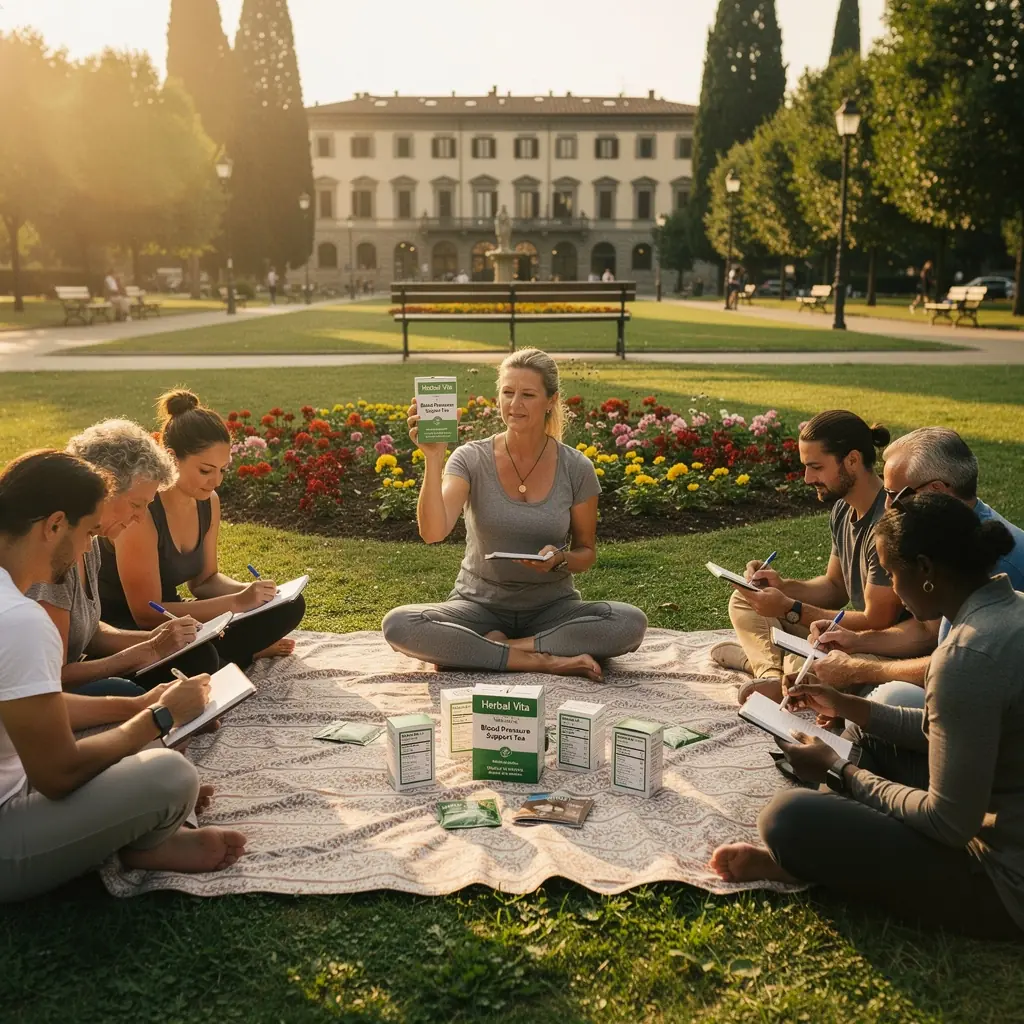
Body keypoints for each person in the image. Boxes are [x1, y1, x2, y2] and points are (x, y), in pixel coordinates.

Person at [710, 493, 1024, 941]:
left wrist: (841, 770)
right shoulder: (1010, 609)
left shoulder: (966, 655)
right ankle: (839, 844)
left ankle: (812, 861)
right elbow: (957, 731)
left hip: (1002, 879)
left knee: (788, 816)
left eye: (894, 574)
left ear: (926, 570)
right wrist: (848, 706)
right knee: (871, 738)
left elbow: (949, 823)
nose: (894, 590)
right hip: (997, 796)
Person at [0, 449, 246, 902]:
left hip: (18, 778)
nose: (88, 547)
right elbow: (58, 773)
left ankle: (140, 819)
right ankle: (146, 841)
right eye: (88, 533)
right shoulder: (20, 620)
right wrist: (157, 718)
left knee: (127, 734)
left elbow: (29, 707)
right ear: (54, 525)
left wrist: (135, 705)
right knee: (170, 774)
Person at [382, 348, 647, 680]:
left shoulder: (576, 467)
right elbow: (433, 532)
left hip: (552, 608)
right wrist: (433, 458)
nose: (514, 404)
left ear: (551, 400)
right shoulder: (469, 459)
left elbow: (586, 552)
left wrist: (560, 558)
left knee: (629, 622)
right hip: (477, 606)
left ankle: (494, 649)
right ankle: (543, 659)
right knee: (399, 624)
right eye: (507, 393)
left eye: (527, 395)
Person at [804, 428, 1024, 708]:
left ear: (936, 491)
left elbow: (957, 665)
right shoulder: (952, 535)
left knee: (890, 697)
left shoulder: (993, 561)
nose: (887, 506)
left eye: (895, 495)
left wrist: (858, 670)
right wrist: (856, 641)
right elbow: (929, 633)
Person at [99, 390, 306, 670]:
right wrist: (238, 602)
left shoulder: (209, 502)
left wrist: (255, 593)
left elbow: (205, 580)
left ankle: (229, 654)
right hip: (127, 629)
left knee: (289, 607)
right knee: (201, 659)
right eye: (206, 470)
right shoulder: (142, 511)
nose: (215, 481)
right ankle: (239, 654)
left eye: (222, 470)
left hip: (180, 621)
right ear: (172, 458)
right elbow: (146, 614)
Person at [710, 410, 904, 704]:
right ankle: (770, 673)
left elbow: (877, 620)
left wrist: (790, 608)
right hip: (836, 634)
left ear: (852, 460)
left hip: (876, 643)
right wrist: (781, 586)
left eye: (815, 467)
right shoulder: (843, 509)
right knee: (744, 598)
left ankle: (764, 665)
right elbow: (834, 588)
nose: (807, 478)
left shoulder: (887, 524)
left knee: (819, 671)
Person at [28, 420, 219, 697]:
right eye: (136, 504)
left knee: (197, 655)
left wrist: (160, 639)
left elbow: (91, 633)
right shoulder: (56, 551)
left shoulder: (90, 541)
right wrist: (147, 651)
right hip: (48, 691)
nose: (140, 517)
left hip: (73, 674)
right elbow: (52, 677)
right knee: (124, 690)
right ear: (102, 487)